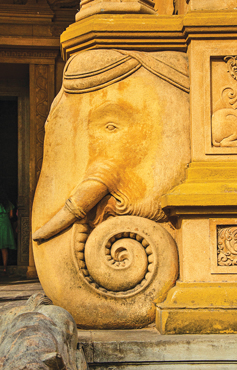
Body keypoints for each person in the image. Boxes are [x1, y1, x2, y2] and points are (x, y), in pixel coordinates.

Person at [0, 180, 16, 274]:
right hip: (5, 225)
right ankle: (5, 267)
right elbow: (11, 216)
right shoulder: (8, 203)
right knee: (4, 248)